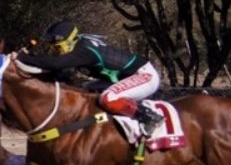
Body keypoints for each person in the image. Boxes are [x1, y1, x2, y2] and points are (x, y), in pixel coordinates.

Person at [17, 19, 164, 135]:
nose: (53, 47)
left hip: (144, 75)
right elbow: (58, 71)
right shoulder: (79, 45)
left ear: (69, 39)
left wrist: (25, 58)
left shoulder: (84, 51)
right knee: (84, 92)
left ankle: (149, 117)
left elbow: (56, 64)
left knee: (109, 98)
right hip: (126, 77)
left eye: (56, 43)